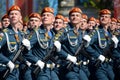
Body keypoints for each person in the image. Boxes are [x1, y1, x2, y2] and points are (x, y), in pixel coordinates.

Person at [26, 7, 60, 80]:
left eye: (48, 15)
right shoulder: (36, 32)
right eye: (44, 15)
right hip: (41, 70)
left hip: (51, 69)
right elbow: (25, 51)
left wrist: (58, 50)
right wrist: (36, 61)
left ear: (53, 19)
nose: (45, 17)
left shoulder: (53, 34)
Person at [84, 9, 118, 80]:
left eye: (106, 17)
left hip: (108, 65)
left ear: (109, 19)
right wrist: (98, 55)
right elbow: (87, 46)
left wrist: (115, 45)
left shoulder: (109, 33)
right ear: (99, 18)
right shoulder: (95, 32)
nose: (104, 18)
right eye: (102, 16)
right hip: (98, 64)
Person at [0, 5, 31, 80]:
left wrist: (28, 49)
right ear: (9, 17)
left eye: (16, 14)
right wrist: (7, 62)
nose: (13, 16)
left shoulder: (21, 34)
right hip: (6, 70)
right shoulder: (4, 34)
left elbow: (21, 53)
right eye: (11, 14)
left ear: (20, 17)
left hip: (17, 71)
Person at [58, 7, 89, 80]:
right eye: (72, 15)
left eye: (77, 15)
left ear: (81, 18)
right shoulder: (64, 31)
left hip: (79, 67)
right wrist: (68, 56)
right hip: (68, 67)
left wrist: (87, 45)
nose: (75, 17)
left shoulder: (80, 32)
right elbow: (55, 46)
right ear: (69, 18)